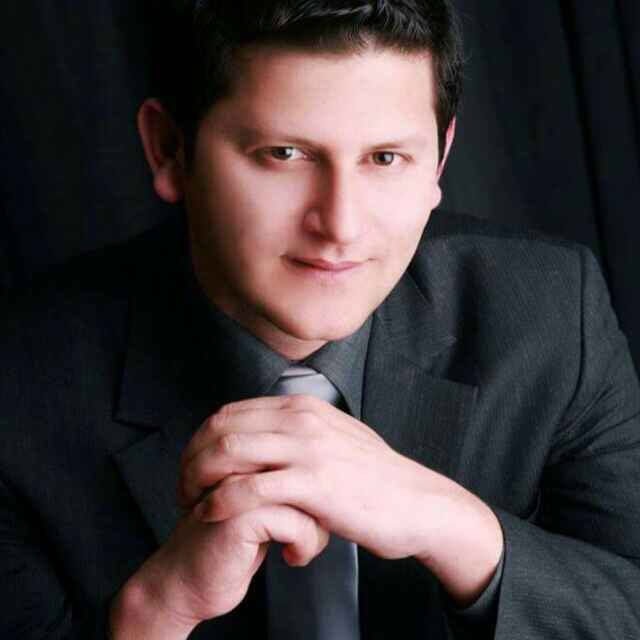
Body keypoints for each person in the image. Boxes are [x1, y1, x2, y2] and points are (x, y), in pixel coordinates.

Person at [1, 1, 639, 638]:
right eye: (284, 153)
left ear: (440, 160)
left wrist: (456, 528)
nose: (340, 225)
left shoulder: (552, 311)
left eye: (384, 158)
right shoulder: (19, 388)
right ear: (169, 149)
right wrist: (157, 610)